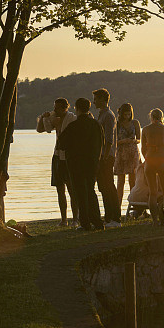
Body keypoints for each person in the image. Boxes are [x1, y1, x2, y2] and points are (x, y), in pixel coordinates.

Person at [56, 98, 104, 231]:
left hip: (76, 163)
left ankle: (85, 223)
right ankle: (97, 221)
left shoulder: (73, 126)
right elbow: (101, 143)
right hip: (92, 163)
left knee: (80, 193)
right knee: (90, 191)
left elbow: (61, 144)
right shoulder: (96, 125)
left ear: (77, 108)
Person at [36, 98, 78, 227]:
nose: (54, 110)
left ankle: (76, 219)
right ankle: (64, 219)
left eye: (57, 108)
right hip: (57, 156)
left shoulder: (72, 118)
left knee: (72, 189)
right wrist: (44, 118)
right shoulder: (55, 119)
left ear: (65, 107)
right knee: (60, 189)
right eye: (54, 107)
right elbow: (40, 130)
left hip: (69, 157)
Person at [93, 88, 122, 227]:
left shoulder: (108, 116)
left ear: (103, 99)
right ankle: (108, 217)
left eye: (96, 99)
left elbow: (109, 139)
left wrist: (104, 157)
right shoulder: (101, 114)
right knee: (103, 187)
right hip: (102, 156)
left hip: (107, 156)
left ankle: (116, 218)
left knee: (109, 186)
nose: (94, 102)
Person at [140, 108, 164, 226]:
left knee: (153, 193)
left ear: (151, 117)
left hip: (149, 160)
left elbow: (143, 149)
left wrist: (148, 156)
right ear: (162, 117)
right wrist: (161, 150)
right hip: (162, 160)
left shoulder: (145, 129)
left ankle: (155, 221)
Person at [114, 102, 142, 210]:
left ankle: (134, 208)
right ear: (121, 114)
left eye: (129, 114)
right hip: (121, 153)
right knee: (120, 182)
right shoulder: (117, 124)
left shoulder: (135, 123)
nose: (127, 116)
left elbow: (139, 139)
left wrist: (134, 140)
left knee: (133, 181)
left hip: (133, 152)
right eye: (125, 114)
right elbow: (114, 141)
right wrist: (123, 141)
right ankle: (117, 208)